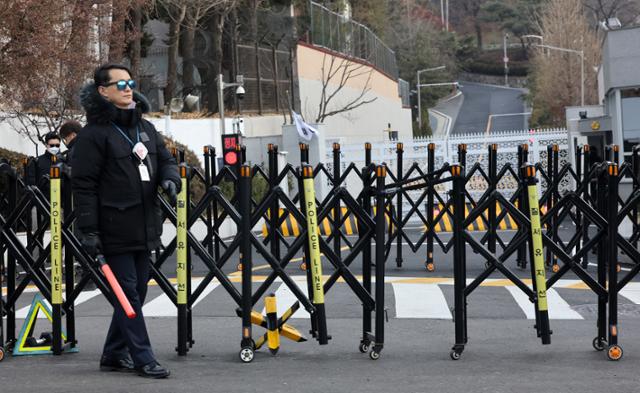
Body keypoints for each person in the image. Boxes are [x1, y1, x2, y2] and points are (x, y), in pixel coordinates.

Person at [72, 63, 180, 379]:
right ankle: (143, 357)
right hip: (112, 227)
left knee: (137, 293)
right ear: (102, 91)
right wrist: (89, 230)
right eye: (119, 84)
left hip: (145, 225)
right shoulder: (93, 135)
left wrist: (170, 179)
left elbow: (167, 161)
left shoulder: (144, 128)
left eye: (130, 82)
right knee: (128, 294)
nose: (128, 87)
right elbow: (84, 186)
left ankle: (114, 353)